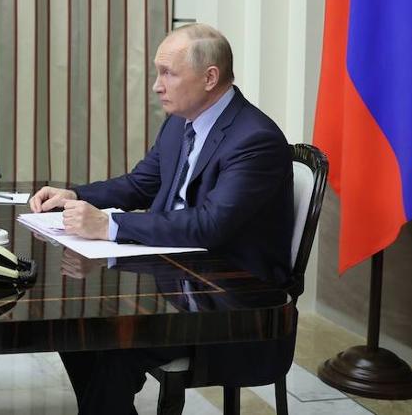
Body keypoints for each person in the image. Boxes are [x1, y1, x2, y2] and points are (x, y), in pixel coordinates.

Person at [30, 23, 294, 415]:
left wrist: (108, 225)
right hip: (176, 277)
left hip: (231, 303)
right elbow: (140, 183)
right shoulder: (180, 123)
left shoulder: (255, 139)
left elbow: (209, 226)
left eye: (168, 73)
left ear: (210, 78)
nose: (156, 85)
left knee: (110, 342)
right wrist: (77, 194)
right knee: (74, 325)